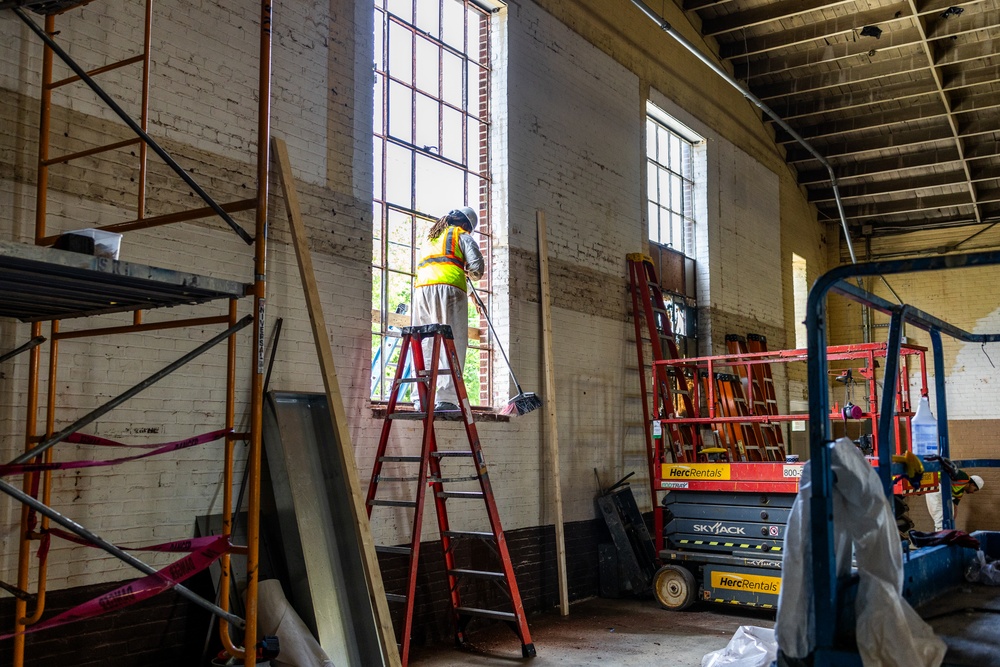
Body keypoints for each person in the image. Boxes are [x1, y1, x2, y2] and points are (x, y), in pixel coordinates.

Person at [412, 207, 484, 412]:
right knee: (453, 342)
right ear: (466, 225)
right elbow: (477, 268)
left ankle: (421, 398)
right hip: (450, 294)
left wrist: (470, 292)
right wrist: (470, 274)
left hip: (422, 293)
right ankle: (447, 399)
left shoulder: (430, 238)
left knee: (425, 344)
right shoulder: (462, 236)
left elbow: (443, 267)